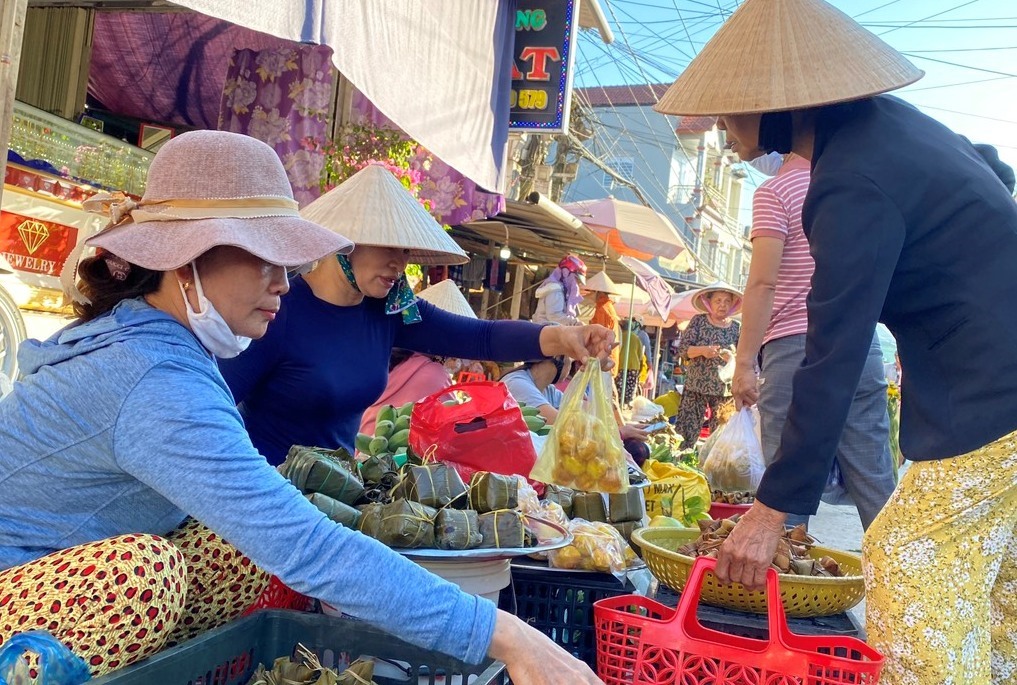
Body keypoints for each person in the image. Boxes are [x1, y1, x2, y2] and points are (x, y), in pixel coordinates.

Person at [0, 132, 603, 684]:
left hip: (57, 579)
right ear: (185, 260)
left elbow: (474, 337)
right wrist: (508, 638)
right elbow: (304, 545)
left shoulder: (171, 345)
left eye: (285, 263)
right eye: (264, 259)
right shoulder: (153, 374)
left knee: (236, 551)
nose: (282, 283)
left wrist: (555, 338)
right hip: (23, 589)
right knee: (141, 575)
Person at [654, 1, 1017, 682]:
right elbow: (993, 170)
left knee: (913, 573)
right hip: (998, 385)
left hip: (990, 394)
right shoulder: (900, 133)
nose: (720, 125)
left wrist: (771, 508)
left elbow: (835, 348)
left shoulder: (851, 181)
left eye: (732, 106)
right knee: (992, 594)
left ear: (780, 103)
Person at [219, 167, 614, 466]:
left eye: (406, 251)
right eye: (389, 246)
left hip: (337, 495)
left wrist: (565, 338)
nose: (400, 263)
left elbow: (479, 337)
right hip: (270, 499)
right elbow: (215, 409)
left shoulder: (390, 309)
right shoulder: (279, 311)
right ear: (343, 242)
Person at [729, 150, 895, 530]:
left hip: (794, 347)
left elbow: (763, 283)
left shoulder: (776, 191)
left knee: (784, 489)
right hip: (858, 342)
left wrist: (744, 363)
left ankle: (788, 586)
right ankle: (905, 584)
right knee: (875, 480)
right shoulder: (851, 187)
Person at [359, 279, 475, 436]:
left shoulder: (387, 358)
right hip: (395, 457)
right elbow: (447, 428)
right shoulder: (433, 374)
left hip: (360, 453)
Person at [673, 284, 741, 446]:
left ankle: (713, 469)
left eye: (726, 301)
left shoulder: (736, 328)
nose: (722, 305)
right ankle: (680, 463)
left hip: (723, 391)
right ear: (709, 302)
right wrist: (702, 350)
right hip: (695, 387)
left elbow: (744, 356)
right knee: (685, 432)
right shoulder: (699, 321)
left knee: (721, 436)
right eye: (718, 300)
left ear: (732, 304)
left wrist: (731, 358)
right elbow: (683, 349)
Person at [531, 255, 587, 326]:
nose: (577, 283)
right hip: (544, 332)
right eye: (576, 279)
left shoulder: (564, 291)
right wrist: (575, 323)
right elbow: (554, 316)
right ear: (566, 273)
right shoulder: (555, 289)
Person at [585, 271, 622, 373]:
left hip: (603, 359)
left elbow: (599, 337)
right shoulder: (608, 307)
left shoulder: (602, 310)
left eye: (591, 291)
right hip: (608, 358)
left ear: (597, 292)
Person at [614, 318, 645, 406]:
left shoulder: (619, 337)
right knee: (630, 389)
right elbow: (640, 355)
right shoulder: (636, 338)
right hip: (634, 366)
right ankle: (626, 405)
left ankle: (619, 405)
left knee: (619, 388)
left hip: (621, 364)